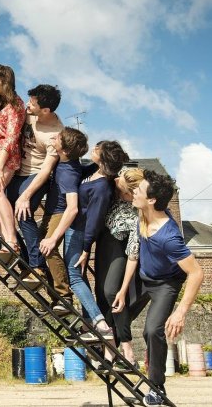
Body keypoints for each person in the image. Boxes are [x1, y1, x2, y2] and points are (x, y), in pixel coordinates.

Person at [113, 171, 204, 406]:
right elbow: (135, 253)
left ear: (152, 200)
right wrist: (123, 290)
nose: (134, 193)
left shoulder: (169, 237)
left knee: (152, 331)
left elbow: (196, 273)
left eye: (139, 191)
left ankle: (157, 387)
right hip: (145, 278)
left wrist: (180, 312)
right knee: (114, 307)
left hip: (166, 283)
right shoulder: (144, 211)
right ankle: (121, 356)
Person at [66, 140, 129, 342]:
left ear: (103, 157)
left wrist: (86, 249)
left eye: (97, 149)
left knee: (74, 277)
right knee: (80, 276)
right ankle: (87, 321)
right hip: (74, 229)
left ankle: (100, 323)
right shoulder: (94, 171)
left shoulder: (102, 187)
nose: (93, 149)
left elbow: (94, 219)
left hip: (79, 232)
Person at [6, 85, 63, 271]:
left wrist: (26, 196)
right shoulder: (29, 113)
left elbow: (47, 169)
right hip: (16, 171)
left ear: (45, 110)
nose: (28, 105)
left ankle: (37, 265)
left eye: (32, 103)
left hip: (36, 174)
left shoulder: (55, 134)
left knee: (24, 211)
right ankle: (23, 259)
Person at [95, 167, 144, 367]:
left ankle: (127, 346)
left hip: (118, 246)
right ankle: (109, 348)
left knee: (112, 292)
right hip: (102, 242)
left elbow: (133, 253)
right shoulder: (121, 175)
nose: (117, 189)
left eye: (122, 191)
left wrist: (124, 289)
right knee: (100, 295)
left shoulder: (138, 214)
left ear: (132, 194)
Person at [38, 127, 88, 314]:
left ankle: (64, 297)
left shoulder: (67, 173)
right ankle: (56, 296)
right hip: (51, 212)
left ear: (65, 150)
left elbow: (72, 207)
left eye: (58, 137)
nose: (54, 136)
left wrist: (53, 238)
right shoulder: (70, 162)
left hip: (59, 213)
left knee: (48, 249)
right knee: (39, 246)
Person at [0, 65, 26, 252]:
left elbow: (11, 137)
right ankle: (8, 241)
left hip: (6, 156)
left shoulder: (16, 104)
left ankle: (11, 241)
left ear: (5, 81)